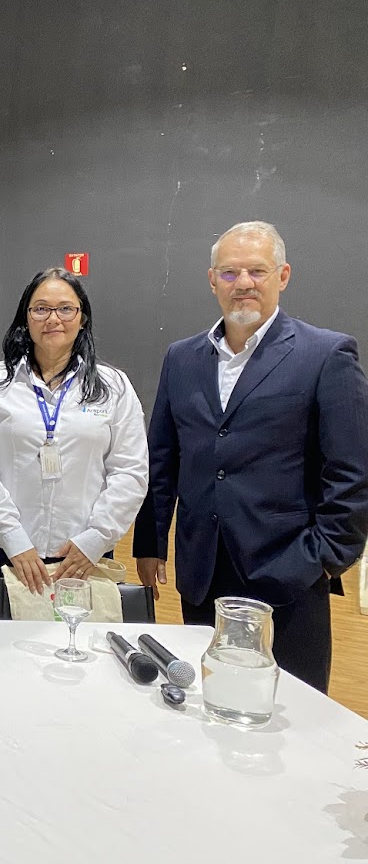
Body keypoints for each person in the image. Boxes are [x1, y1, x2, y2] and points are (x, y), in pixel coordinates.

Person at [134, 221, 368, 693]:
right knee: (209, 694)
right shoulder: (182, 358)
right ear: (212, 280)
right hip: (201, 566)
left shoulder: (326, 354)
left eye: (257, 271)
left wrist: (323, 558)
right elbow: (162, 457)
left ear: (282, 276)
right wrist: (151, 541)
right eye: (229, 273)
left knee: (291, 707)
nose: (243, 284)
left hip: (288, 570)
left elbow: (353, 472)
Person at [0, 267, 148, 618]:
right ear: (25, 318)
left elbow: (131, 472)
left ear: (82, 318)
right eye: (40, 308)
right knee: (10, 653)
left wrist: (94, 540)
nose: (53, 319)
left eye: (65, 309)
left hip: (83, 555)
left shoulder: (114, 386)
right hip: (7, 550)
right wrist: (14, 539)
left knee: (80, 653)